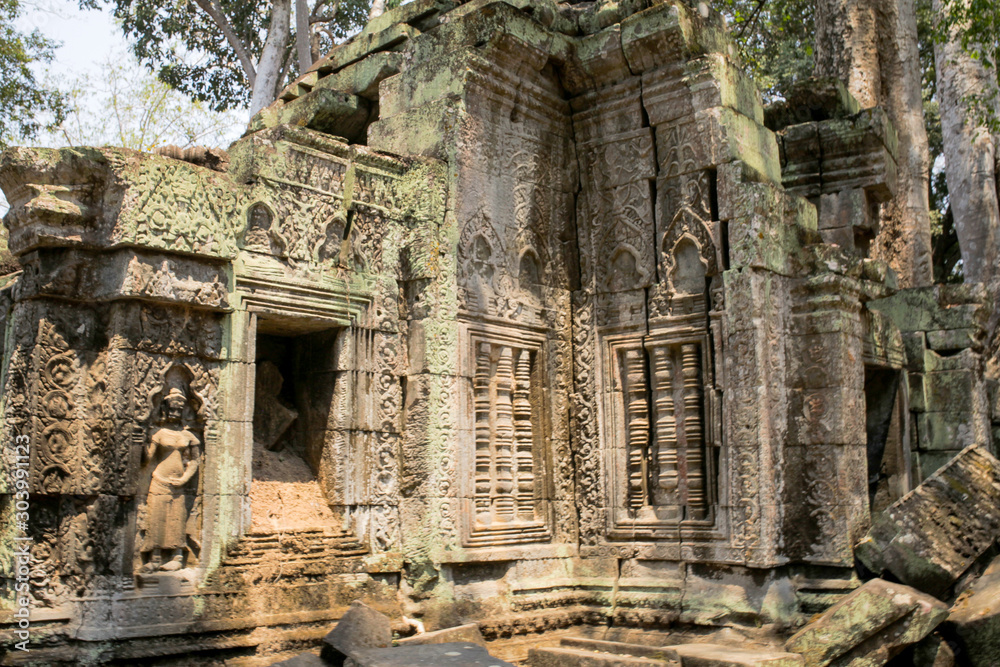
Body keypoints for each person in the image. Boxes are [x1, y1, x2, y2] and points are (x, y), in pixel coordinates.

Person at [142, 386, 200, 572]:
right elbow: (147, 460)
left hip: (178, 483)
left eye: (179, 409)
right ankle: (155, 557)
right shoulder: (159, 434)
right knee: (157, 518)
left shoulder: (188, 435)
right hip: (159, 479)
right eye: (172, 409)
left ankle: (177, 555)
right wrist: (140, 441)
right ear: (165, 409)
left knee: (177, 518)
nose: (175, 413)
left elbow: (195, 461)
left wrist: (185, 478)